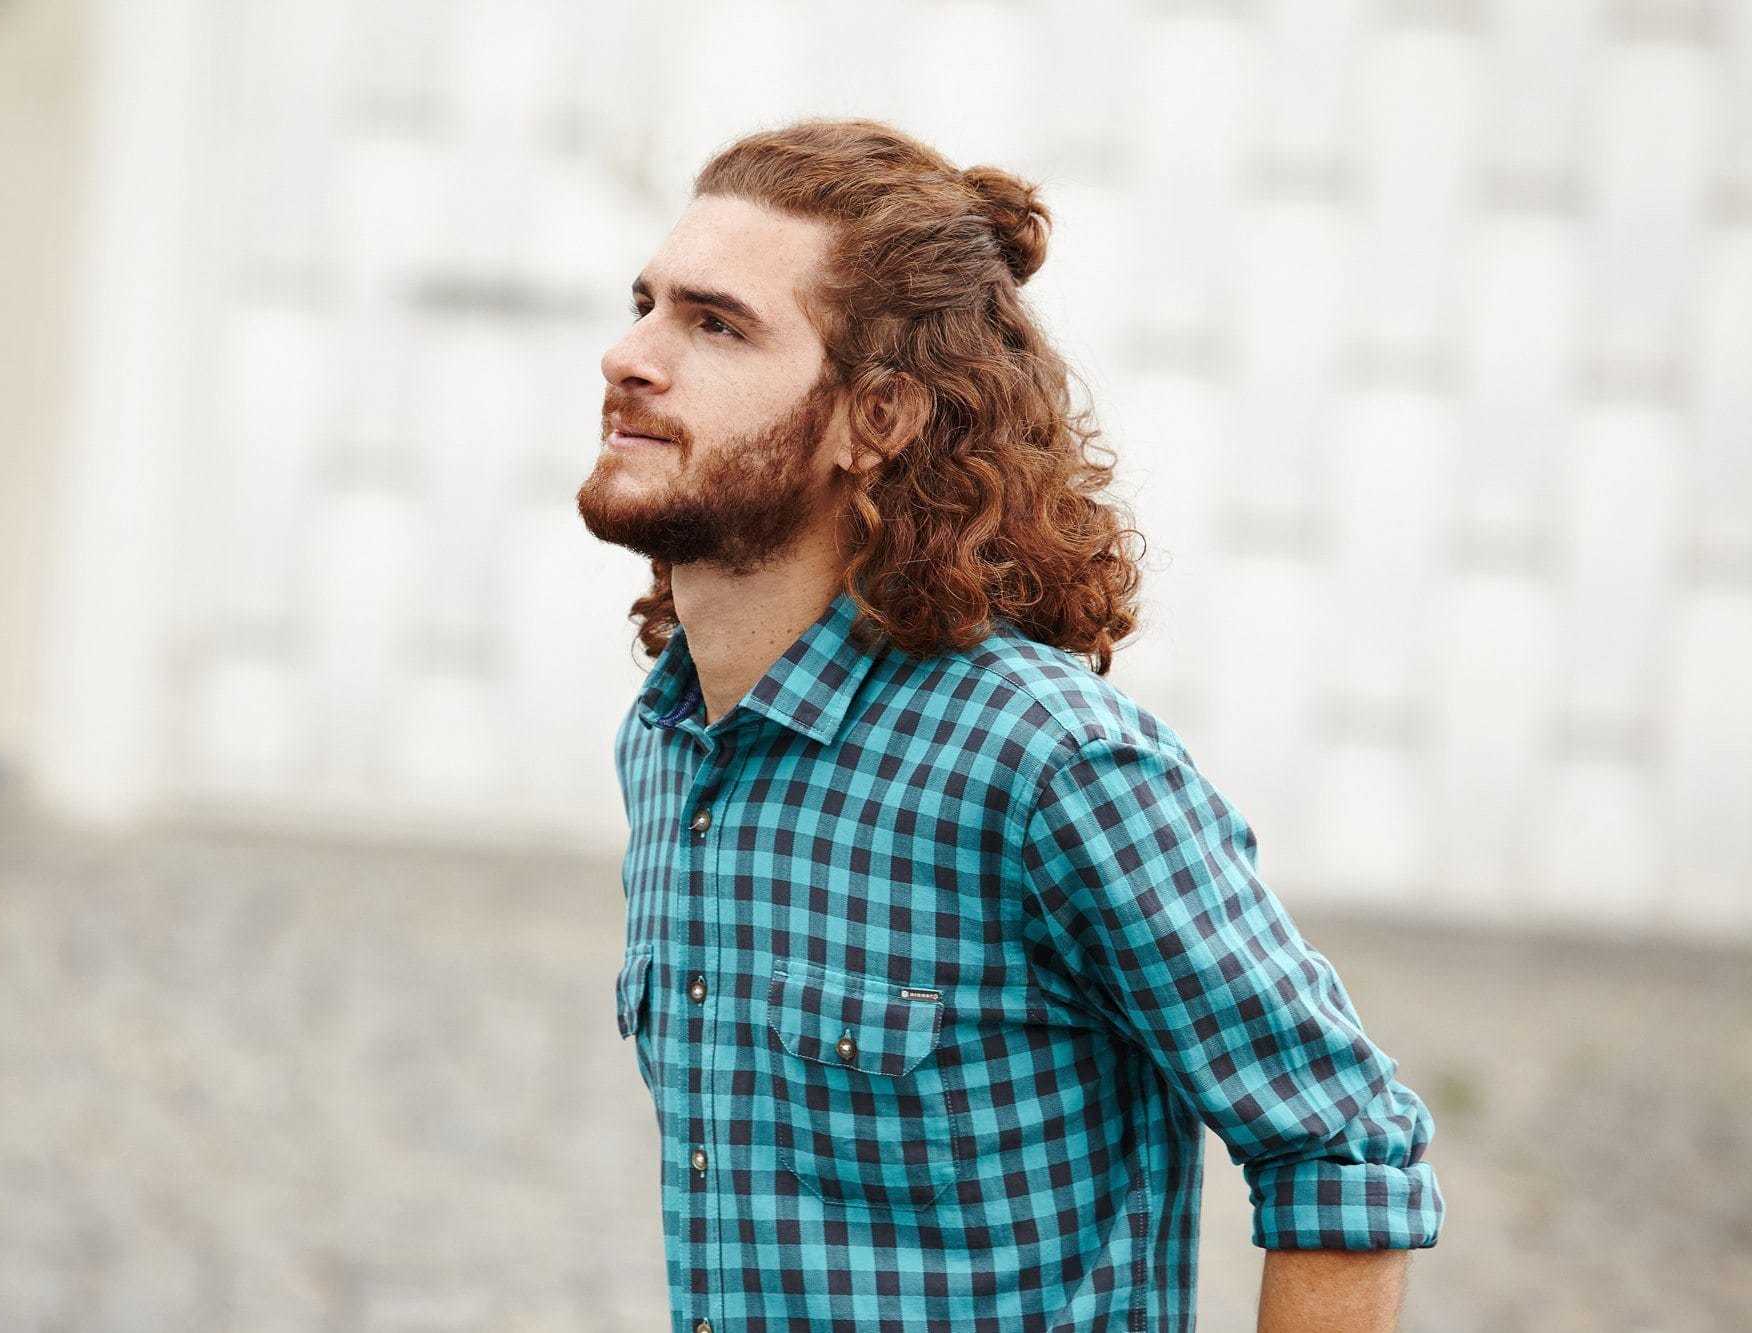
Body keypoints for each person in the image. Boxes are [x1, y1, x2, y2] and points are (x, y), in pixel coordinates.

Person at [576, 117, 1442, 1333]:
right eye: (645, 303)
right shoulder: (669, 746)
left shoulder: (1050, 765)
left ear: (871, 420)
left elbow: (1340, 1146)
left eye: (714, 324)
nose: (628, 355)